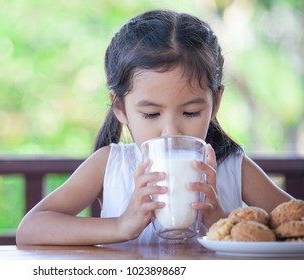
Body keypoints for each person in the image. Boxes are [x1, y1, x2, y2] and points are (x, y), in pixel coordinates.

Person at [16, 9, 292, 245]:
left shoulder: (233, 167)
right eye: (150, 114)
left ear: (216, 102)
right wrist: (121, 225)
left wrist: (222, 223)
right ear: (120, 107)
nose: (171, 130)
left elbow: (295, 221)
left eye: (191, 112)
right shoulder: (111, 165)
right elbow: (30, 230)